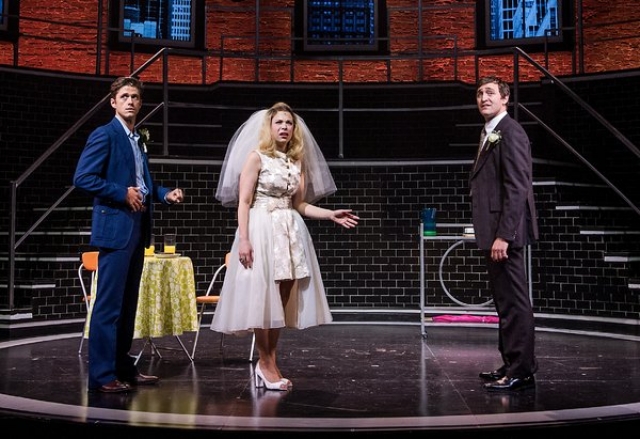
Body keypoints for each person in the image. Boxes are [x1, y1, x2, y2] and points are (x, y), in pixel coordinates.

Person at [211, 102, 359, 391]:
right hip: (261, 227)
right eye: (279, 122)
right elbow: (243, 202)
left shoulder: (296, 161)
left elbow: (300, 204)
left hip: (289, 231)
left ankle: (270, 360)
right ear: (269, 126)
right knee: (263, 296)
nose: (284, 127)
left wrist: (330, 214)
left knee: (281, 297)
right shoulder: (256, 157)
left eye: (288, 123)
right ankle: (265, 363)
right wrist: (244, 239)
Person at [73, 76, 185, 393]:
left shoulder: (137, 139)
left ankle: (123, 367)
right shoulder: (104, 134)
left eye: (135, 97)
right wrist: (121, 193)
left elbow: (143, 184)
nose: (130, 101)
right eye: (124, 96)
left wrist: (164, 194)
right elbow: (83, 177)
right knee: (108, 306)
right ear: (113, 102)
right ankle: (102, 375)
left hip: (138, 227)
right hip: (115, 228)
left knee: (127, 305)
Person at [469, 76, 539, 391]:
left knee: (514, 302)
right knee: (504, 302)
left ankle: (521, 369)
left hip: (505, 234)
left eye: (490, 93)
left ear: (505, 98)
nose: (483, 98)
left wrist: (504, 235)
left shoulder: (511, 132)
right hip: (495, 231)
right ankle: (512, 362)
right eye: (479, 93)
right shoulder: (490, 132)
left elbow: (517, 187)